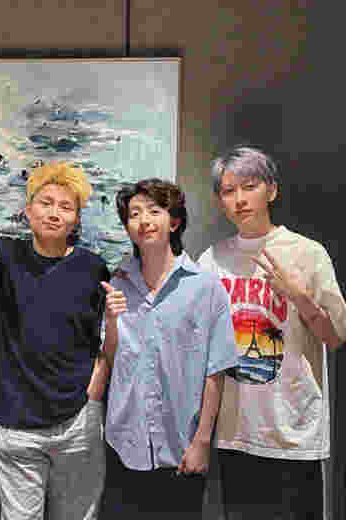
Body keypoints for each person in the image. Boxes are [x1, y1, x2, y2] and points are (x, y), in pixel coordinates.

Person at [0, 161, 111, 520]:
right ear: (28, 210)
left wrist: (95, 391)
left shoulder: (93, 268)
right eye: (45, 203)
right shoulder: (2, 256)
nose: (54, 213)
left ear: (77, 220)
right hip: (15, 424)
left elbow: (104, 336)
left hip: (77, 420)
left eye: (65, 207)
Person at [198, 146, 346, 520]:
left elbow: (335, 338)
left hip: (292, 431)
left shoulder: (307, 253)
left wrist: (299, 296)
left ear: (271, 190)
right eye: (228, 191)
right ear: (220, 201)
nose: (239, 199)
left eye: (249, 187)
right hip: (236, 432)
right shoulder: (211, 260)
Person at [99, 178, 238, 519]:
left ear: (173, 222)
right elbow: (111, 360)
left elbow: (215, 371)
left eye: (154, 211)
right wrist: (112, 321)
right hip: (123, 445)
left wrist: (202, 441)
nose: (143, 220)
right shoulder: (117, 283)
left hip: (181, 446)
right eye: (134, 214)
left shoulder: (206, 288)